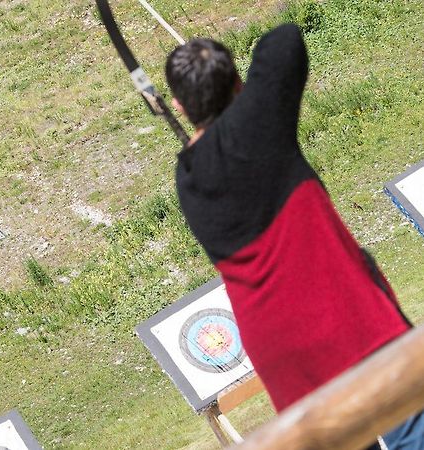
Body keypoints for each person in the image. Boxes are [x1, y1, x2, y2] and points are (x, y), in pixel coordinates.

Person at [165, 24, 423, 449]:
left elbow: (216, 144)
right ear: (239, 84)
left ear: (177, 104)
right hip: (343, 313)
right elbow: (283, 40)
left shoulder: (186, 177)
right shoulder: (259, 119)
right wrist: (244, 95)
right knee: (411, 425)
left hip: (280, 351)